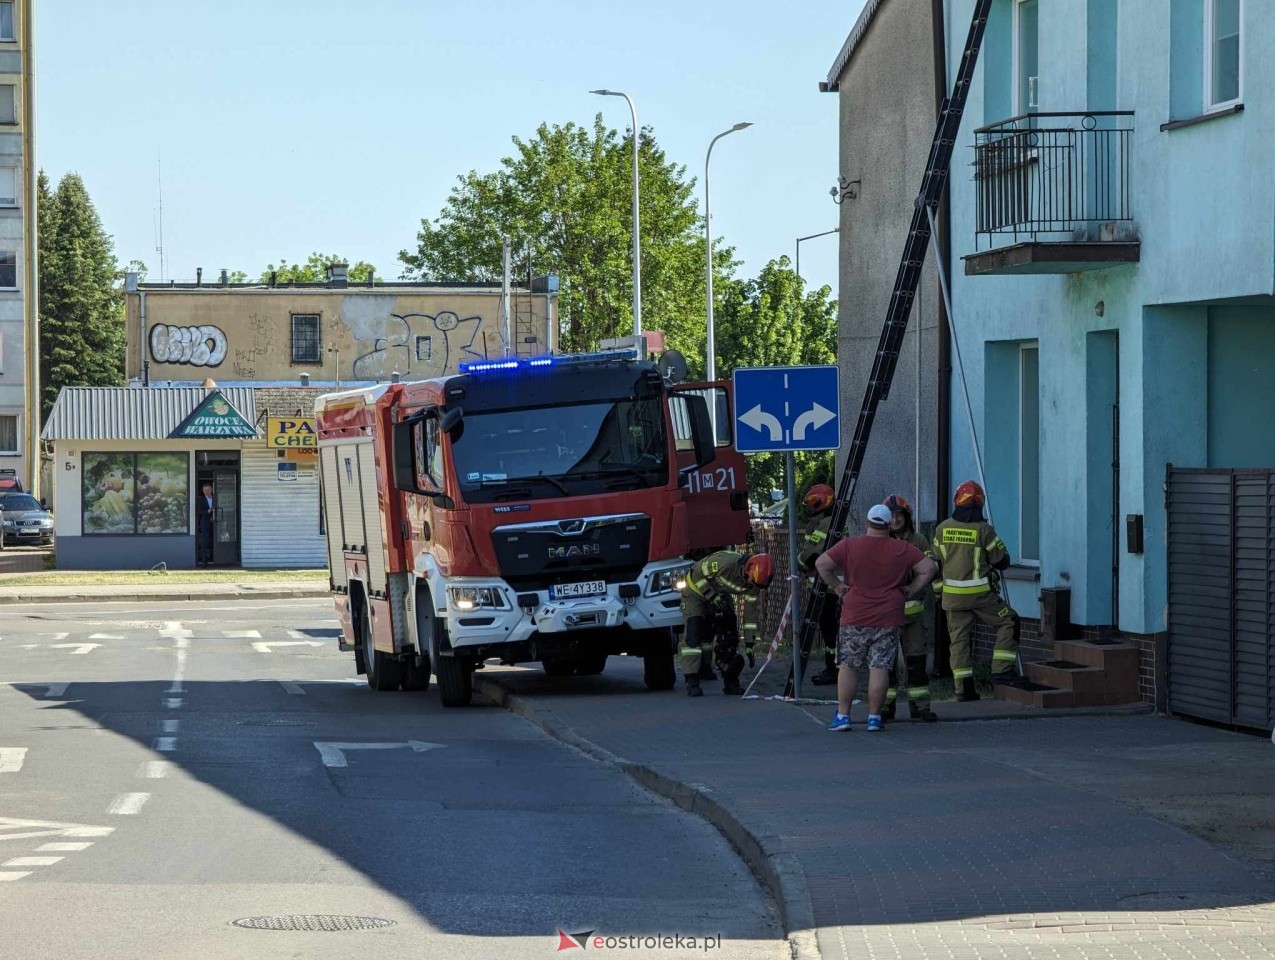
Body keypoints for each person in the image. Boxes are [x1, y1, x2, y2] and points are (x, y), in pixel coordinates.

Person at [815, 504, 938, 732]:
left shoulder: (850, 545)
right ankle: (874, 717)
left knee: (849, 666)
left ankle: (843, 716)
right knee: (879, 667)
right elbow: (929, 568)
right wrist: (911, 589)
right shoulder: (902, 548)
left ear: (867, 523)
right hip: (888, 617)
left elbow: (821, 564)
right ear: (889, 525)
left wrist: (838, 587)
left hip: (855, 614)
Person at [931, 481, 1020, 701]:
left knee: (959, 641)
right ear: (980, 503)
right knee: (1009, 621)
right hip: (980, 597)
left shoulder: (942, 528)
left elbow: (935, 563)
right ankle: (1001, 671)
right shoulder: (984, 530)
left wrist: (938, 594)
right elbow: (1001, 561)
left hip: (952, 598)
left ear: (957, 501)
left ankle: (963, 690)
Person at [679, 551, 774, 696]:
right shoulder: (725, 564)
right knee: (694, 632)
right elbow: (696, 574)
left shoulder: (755, 583)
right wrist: (711, 596)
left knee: (729, 631)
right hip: (695, 590)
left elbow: (750, 615)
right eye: (752, 582)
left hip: (720, 593)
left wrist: (749, 643)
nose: (752, 586)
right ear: (748, 569)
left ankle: (730, 680)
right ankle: (691, 679)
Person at [882, 494, 939, 722]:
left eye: (899, 516)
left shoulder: (919, 540)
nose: (895, 520)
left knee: (916, 663)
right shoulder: (880, 541)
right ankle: (886, 707)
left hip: (913, 616)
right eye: (891, 516)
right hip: (886, 615)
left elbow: (930, 569)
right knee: (886, 665)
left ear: (907, 517)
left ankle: (920, 707)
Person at [797, 484, 842, 686]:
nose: (809, 509)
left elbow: (809, 555)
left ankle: (834, 669)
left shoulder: (826, 524)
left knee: (830, 629)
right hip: (825, 586)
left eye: (811, 505)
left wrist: (800, 562)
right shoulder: (824, 522)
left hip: (829, 588)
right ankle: (832, 667)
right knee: (828, 629)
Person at [196, 481, 215, 566]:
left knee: (214, 541)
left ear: (211, 489)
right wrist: (208, 511)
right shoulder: (201, 500)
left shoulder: (215, 498)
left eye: (208, 490)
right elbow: (199, 512)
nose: (206, 492)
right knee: (204, 542)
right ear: (203, 491)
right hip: (205, 524)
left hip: (216, 523)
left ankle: (216, 558)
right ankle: (204, 562)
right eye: (205, 490)